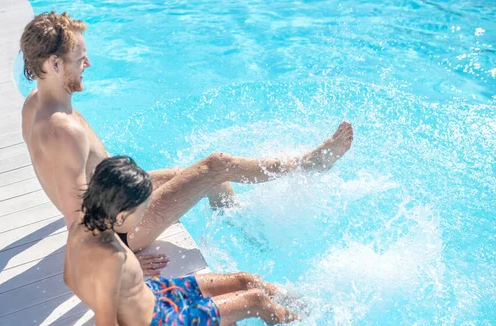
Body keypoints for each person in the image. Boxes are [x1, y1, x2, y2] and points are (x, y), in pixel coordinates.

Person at [21, 12, 354, 275]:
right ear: (53, 64)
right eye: (80, 59)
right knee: (216, 165)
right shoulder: (64, 131)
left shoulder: (35, 103)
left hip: (111, 199)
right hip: (120, 231)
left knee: (213, 180)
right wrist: (125, 262)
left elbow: (61, 184)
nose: (88, 64)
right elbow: (79, 228)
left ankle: (237, 223)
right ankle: (310, 164)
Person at [65, 156, 300, 326]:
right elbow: (105, 324)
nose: (146, 211)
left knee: (245, 280)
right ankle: (298, 322)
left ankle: (298, 300)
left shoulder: (84, 223)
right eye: (143, 209)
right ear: (121, 216)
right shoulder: (113, 260)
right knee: (256, 300)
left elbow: (69, 277)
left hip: (155, 294)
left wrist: (126, 288)